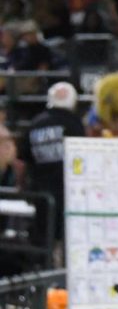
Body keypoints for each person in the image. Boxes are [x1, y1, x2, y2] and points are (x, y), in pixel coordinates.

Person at [25, 82, 85, 243]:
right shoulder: (74, 124)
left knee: (44, 240)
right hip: (69, 194)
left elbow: (25, 158)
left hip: (42, 193)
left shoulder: (35, 123)